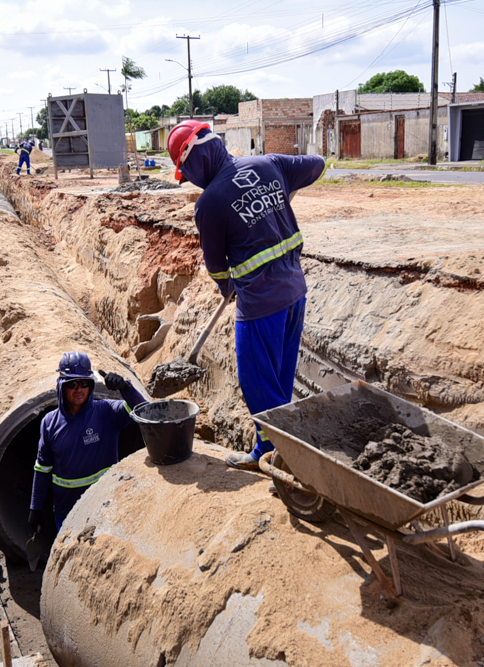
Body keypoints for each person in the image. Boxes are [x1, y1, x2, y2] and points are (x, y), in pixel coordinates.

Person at [167, 120, 326, 470]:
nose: (190, 180)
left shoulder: (210, 203)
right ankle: (267, 449)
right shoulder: (269, 164)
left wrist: (229, 288)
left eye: (186, 172)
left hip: (259, 305)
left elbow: (216, 265)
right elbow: (317, 163)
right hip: (295, 294)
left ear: (194, 160)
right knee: (279, 380)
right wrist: (277, 188)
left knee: (257, 383)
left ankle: (288, 459)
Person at [29, 352, 146, 533]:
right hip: (66, 511)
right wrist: (35, 508)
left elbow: (143, 410)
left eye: (84, 383)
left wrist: (125, 388)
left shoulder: (106, 412)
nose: (79, 389)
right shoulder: (49, 423)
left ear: (91, 385)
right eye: (72, 384)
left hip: (104, 506)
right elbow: (42, 469)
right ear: (61, 386)